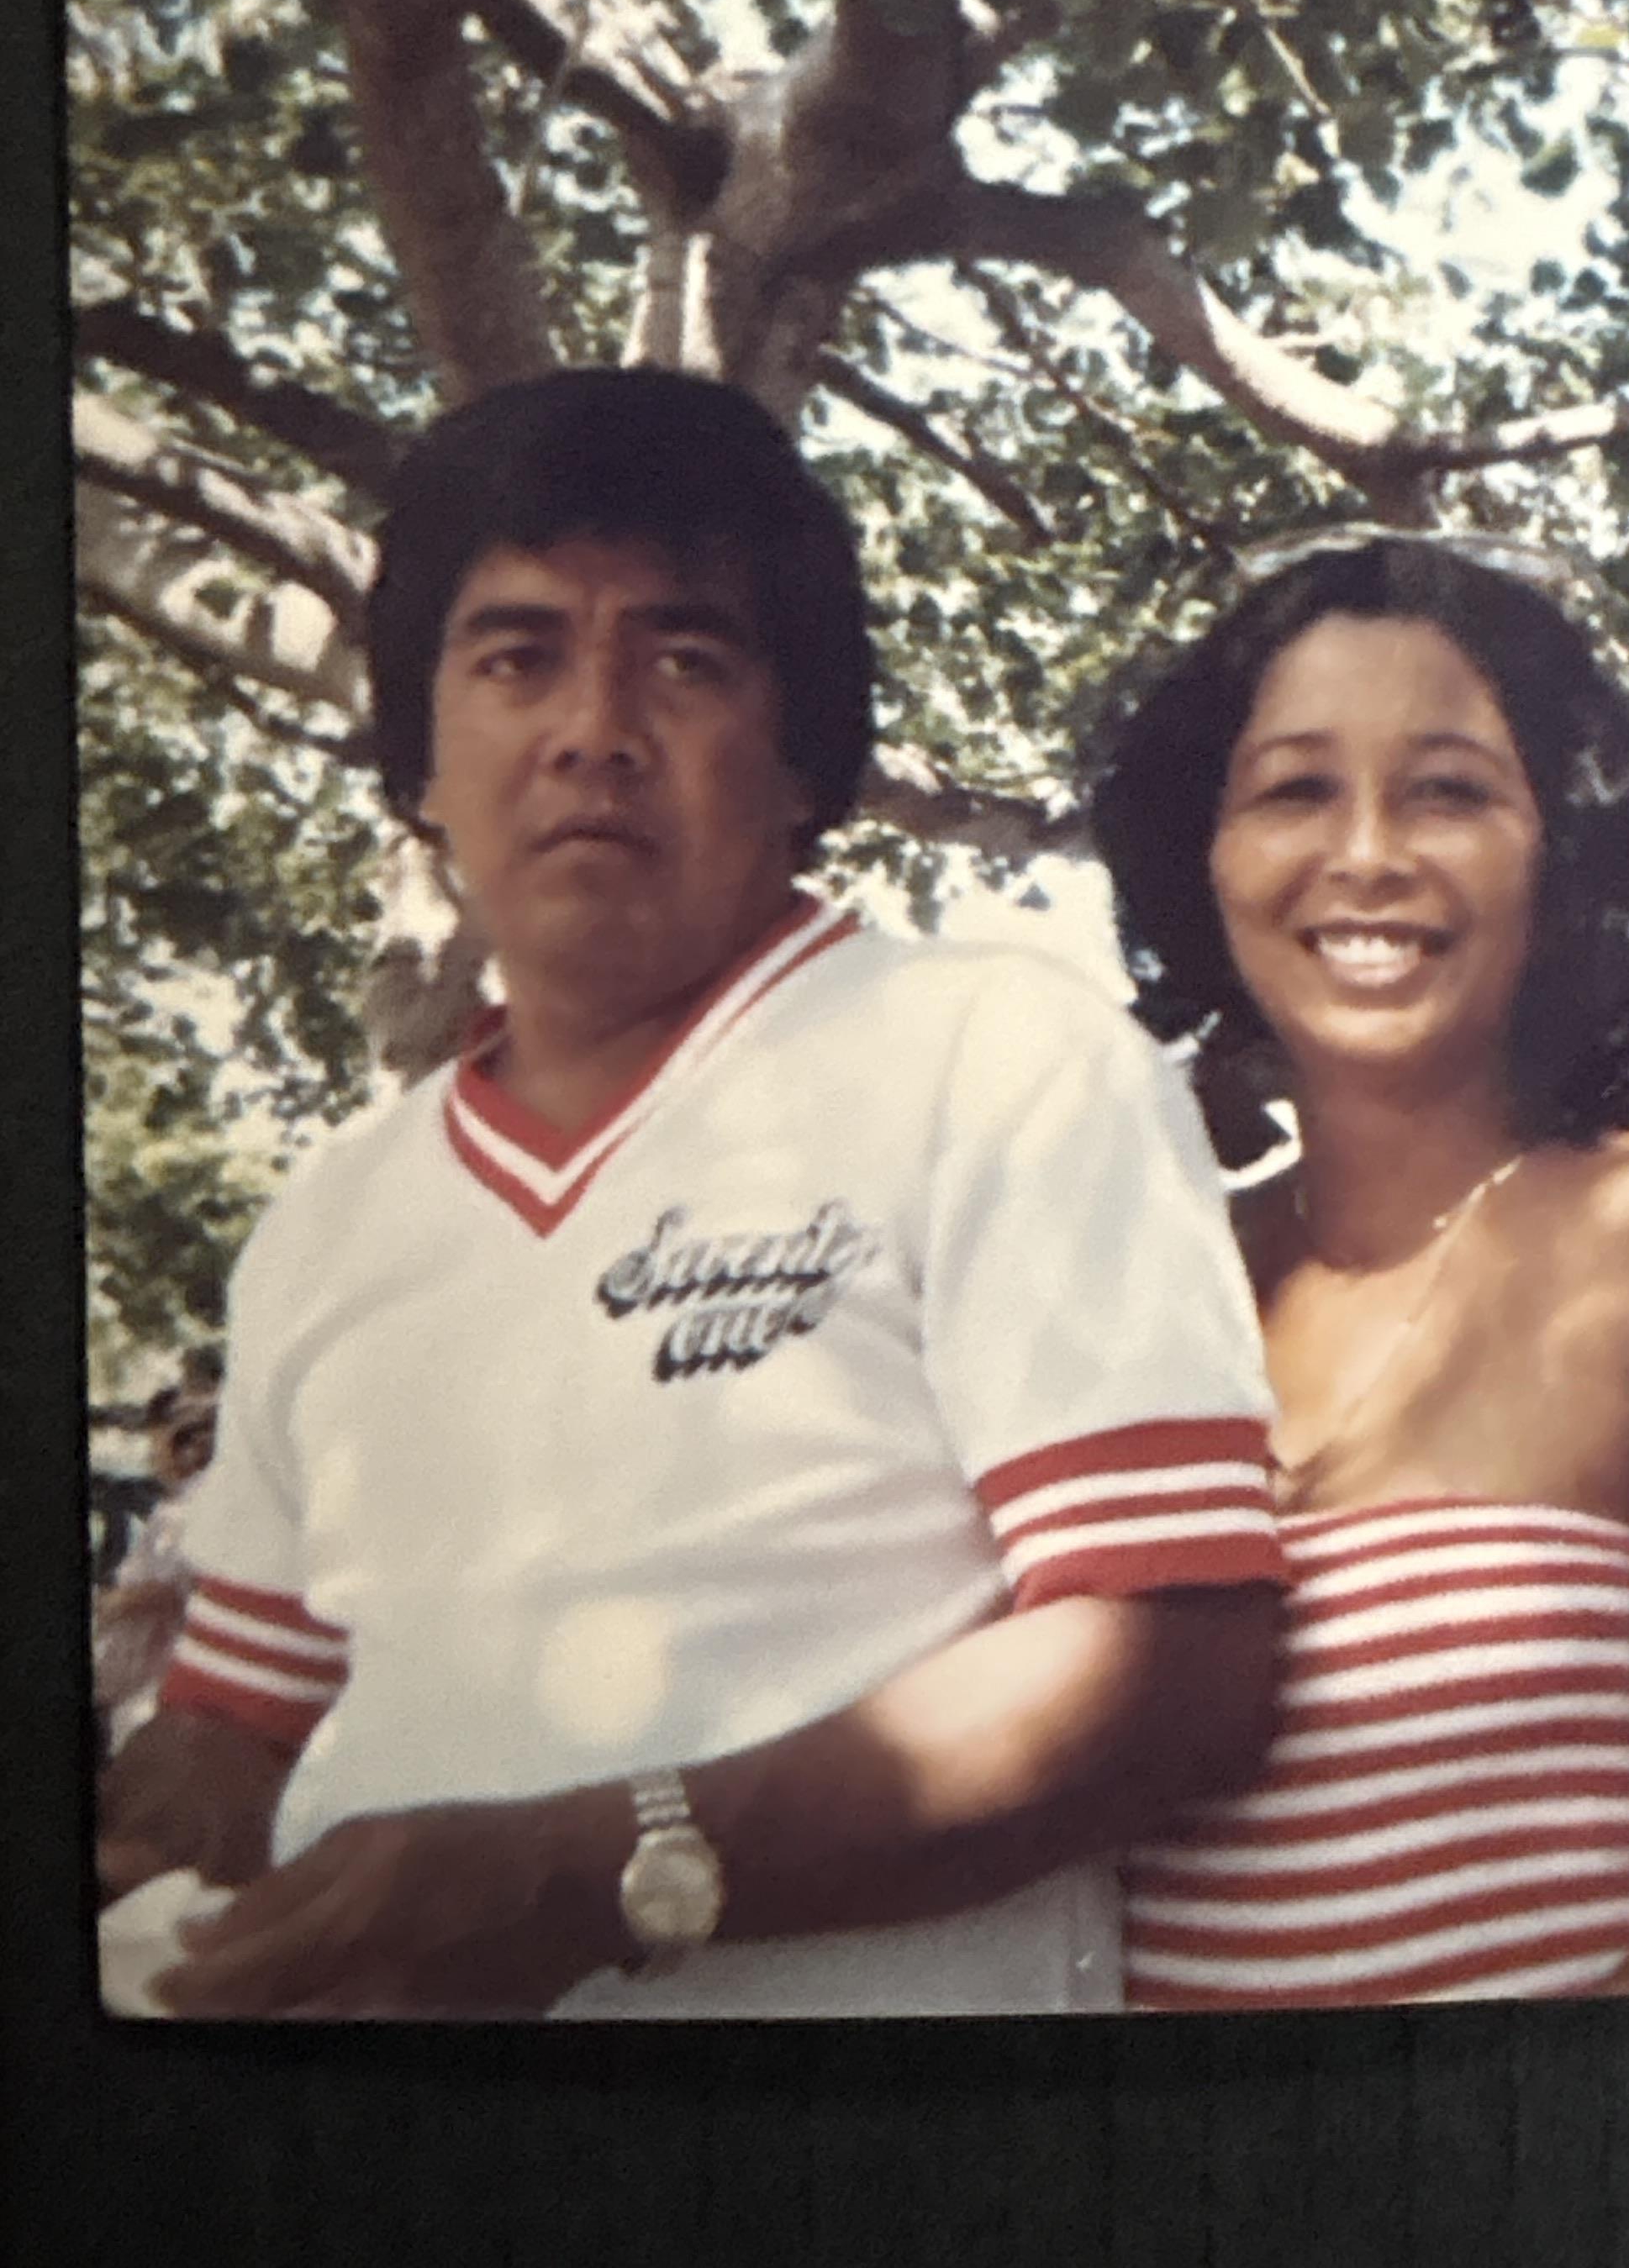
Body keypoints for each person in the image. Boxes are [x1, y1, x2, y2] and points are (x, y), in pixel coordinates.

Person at [96, 367, 1284, 2018]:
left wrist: (601, 1867)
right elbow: (246, 1716)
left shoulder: (997, 1057)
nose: (593, 726)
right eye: (514, 658)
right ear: (421, 762)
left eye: (686, 658)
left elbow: (1176, 1662)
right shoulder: (332, 1220)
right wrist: (145, 1840)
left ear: (804, 761)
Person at [1083, 534, 1629, 2006]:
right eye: (1292, 789)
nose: (1368, 852)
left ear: (1561, 852)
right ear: (1199, 856)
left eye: (1449, 789)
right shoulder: (1141, 1280)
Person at [92, 1381, 219, 1758]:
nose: (152, 1458)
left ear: (183, 1444)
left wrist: (111, 1604)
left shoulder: (179, 1515)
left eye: (156, 1445)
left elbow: (166, 1590)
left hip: (157, 1670)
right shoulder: (206, 1505)